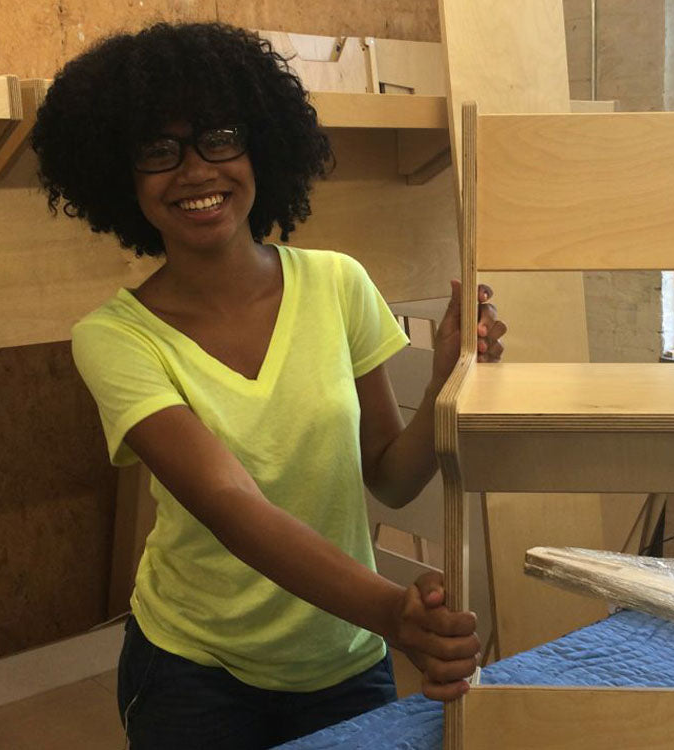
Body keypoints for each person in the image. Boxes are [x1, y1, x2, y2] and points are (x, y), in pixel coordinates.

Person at [31, 21, 506, 749]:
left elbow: (391, 475)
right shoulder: (115, 337)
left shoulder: (338, 283)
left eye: (219, 137)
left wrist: (444, 379)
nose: (194, 172)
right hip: (195, 671)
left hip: (344, 657)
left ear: (260, 145)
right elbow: (228, 503)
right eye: (158, 151)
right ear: (121, 179)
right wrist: (393, 612)